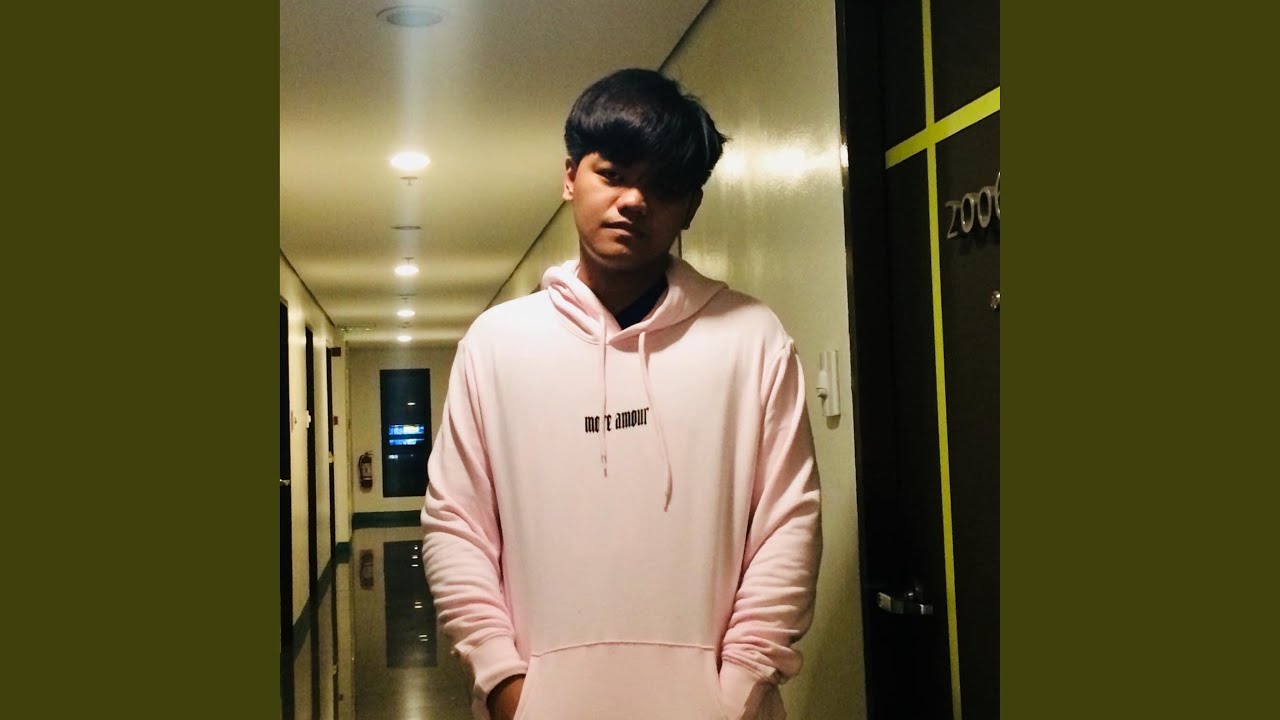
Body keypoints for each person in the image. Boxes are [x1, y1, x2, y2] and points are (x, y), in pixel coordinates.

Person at [421, 68, 821, 720]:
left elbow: (788, 526)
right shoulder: (496, 344)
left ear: (691, 206)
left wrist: (737, 693)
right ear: (570, 177)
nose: (634, 201)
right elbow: (456, 526)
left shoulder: (753, 339)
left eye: (664, 187)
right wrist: (503, 684)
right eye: (612, 174)